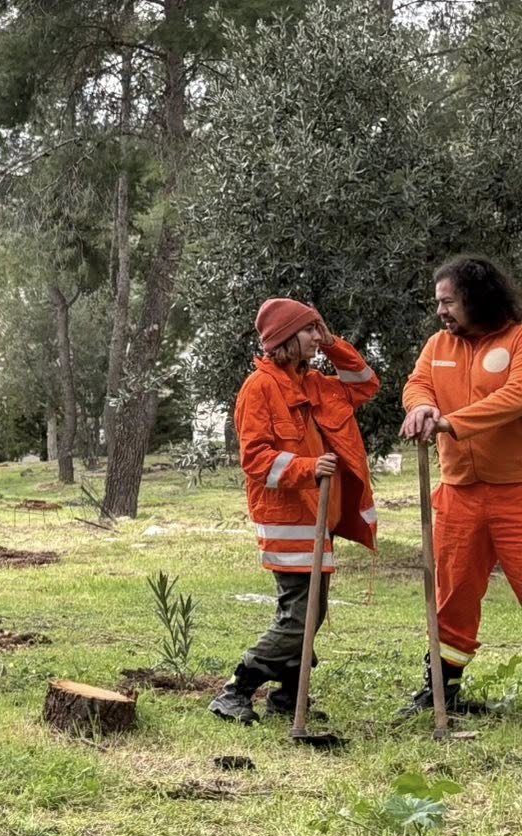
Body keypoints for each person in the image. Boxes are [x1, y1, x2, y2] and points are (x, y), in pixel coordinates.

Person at [211, 300, 379, 725]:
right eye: (308, 331)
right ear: (285, 339)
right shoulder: (259, 388)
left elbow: (365, 384)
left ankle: (288, 697)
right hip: (287, 519)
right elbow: (255, 459)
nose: (315, 338)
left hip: (318, 517)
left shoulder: (317, 383)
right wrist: (308, 468)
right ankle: (235, 690)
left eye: (317, 331)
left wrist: (332, 342)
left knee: (311, 611)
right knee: (301, 615)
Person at [400, 254, 522, 715]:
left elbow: (515, 396)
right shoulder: (438, 345)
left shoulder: (517, 339)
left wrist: (451, 423)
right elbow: (417, 383)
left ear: (476, 298)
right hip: (458, 492)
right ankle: (440, 691)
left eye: (448, 301)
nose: (441, 311)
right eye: (438, 302)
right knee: (451, 595)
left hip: (516, 491)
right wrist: (421, 407)